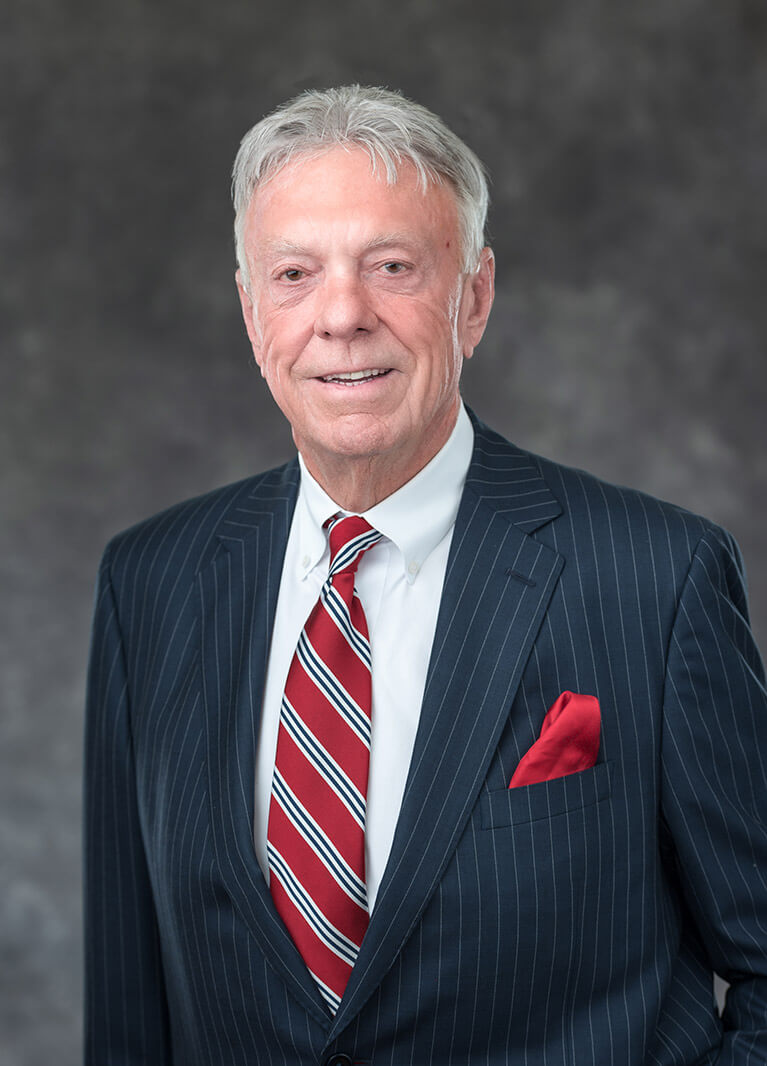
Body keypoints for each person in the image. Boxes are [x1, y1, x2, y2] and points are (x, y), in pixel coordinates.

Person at [84, 85, 767, 1065]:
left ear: (473, 297)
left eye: (391, 267)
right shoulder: (148, 584)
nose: (342, 316)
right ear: (248, 311)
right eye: (293, 273)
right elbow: (129, 1009)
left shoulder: (654, 579)